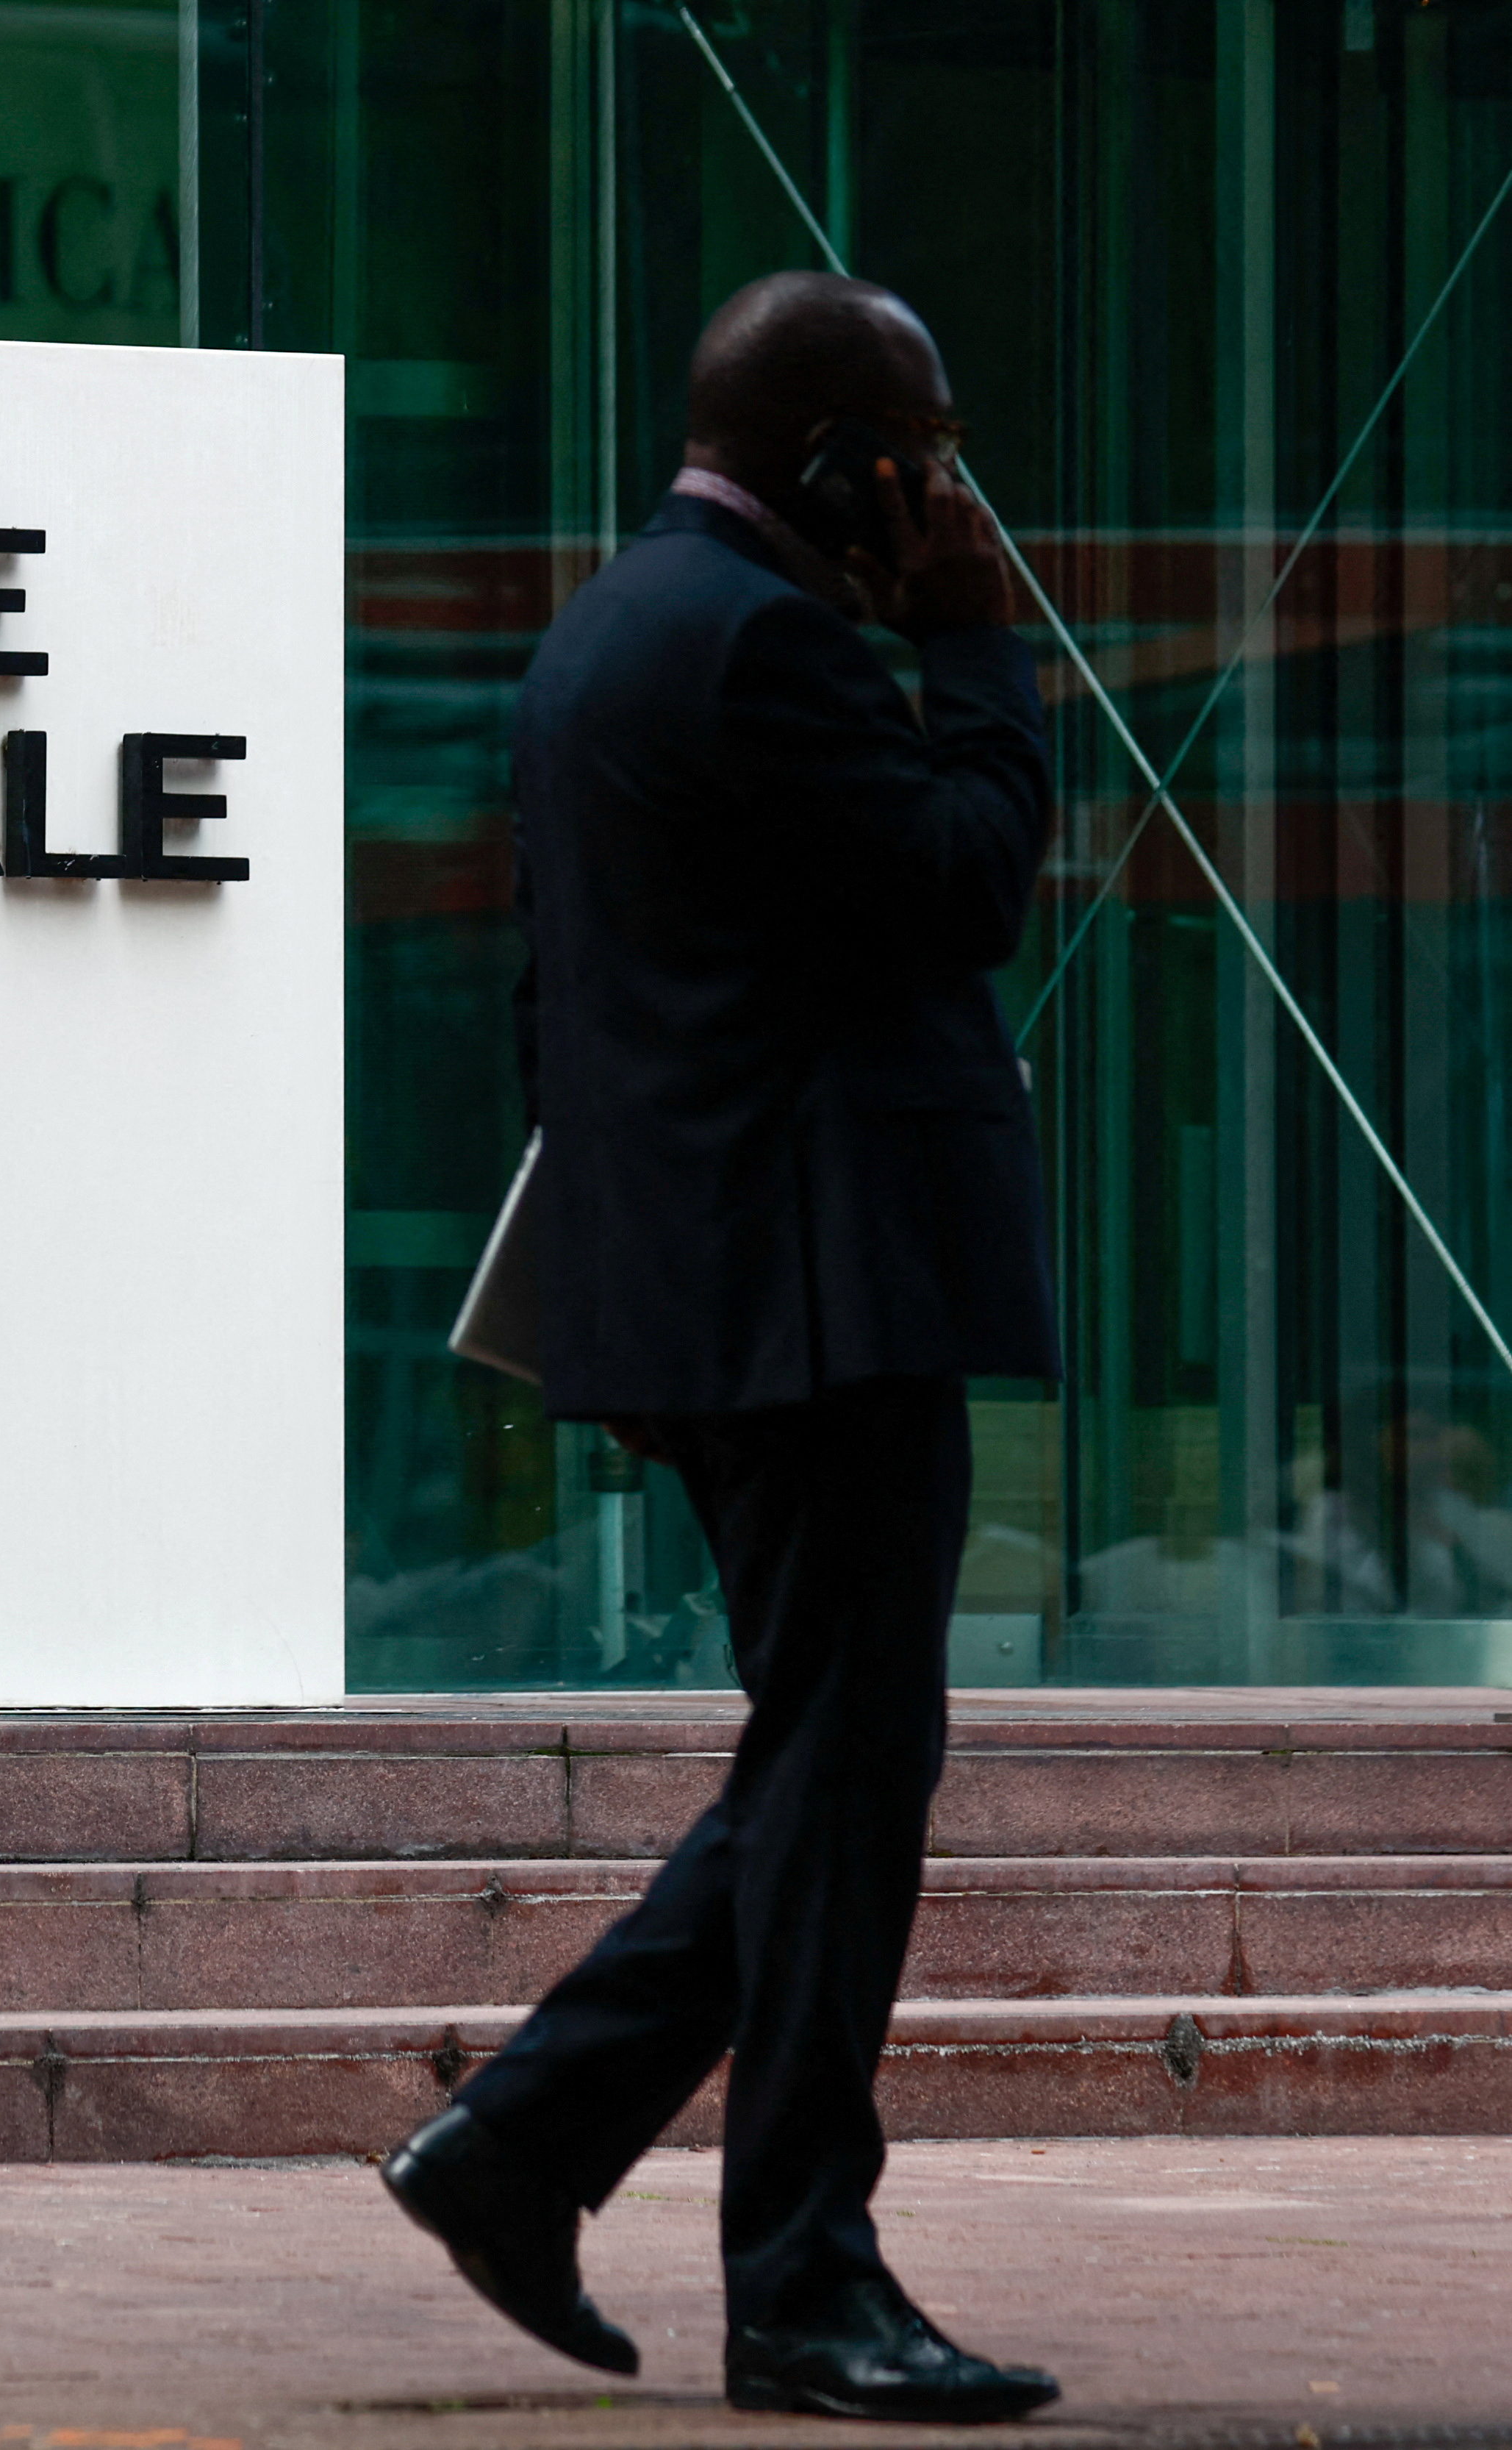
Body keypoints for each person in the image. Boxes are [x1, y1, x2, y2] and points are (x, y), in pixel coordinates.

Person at [380, 271, 1064, 2425]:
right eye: (927, 454)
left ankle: (520, 2148)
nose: (951, 494)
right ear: (835, 457)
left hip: (723, 1291)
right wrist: (970, 643)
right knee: (843, 1774)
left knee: (824, 1763)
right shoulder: (768, 642)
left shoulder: (604, 628)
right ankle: (796, 2278)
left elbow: (559, 1005)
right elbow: (960, 879)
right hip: (815, 1299)